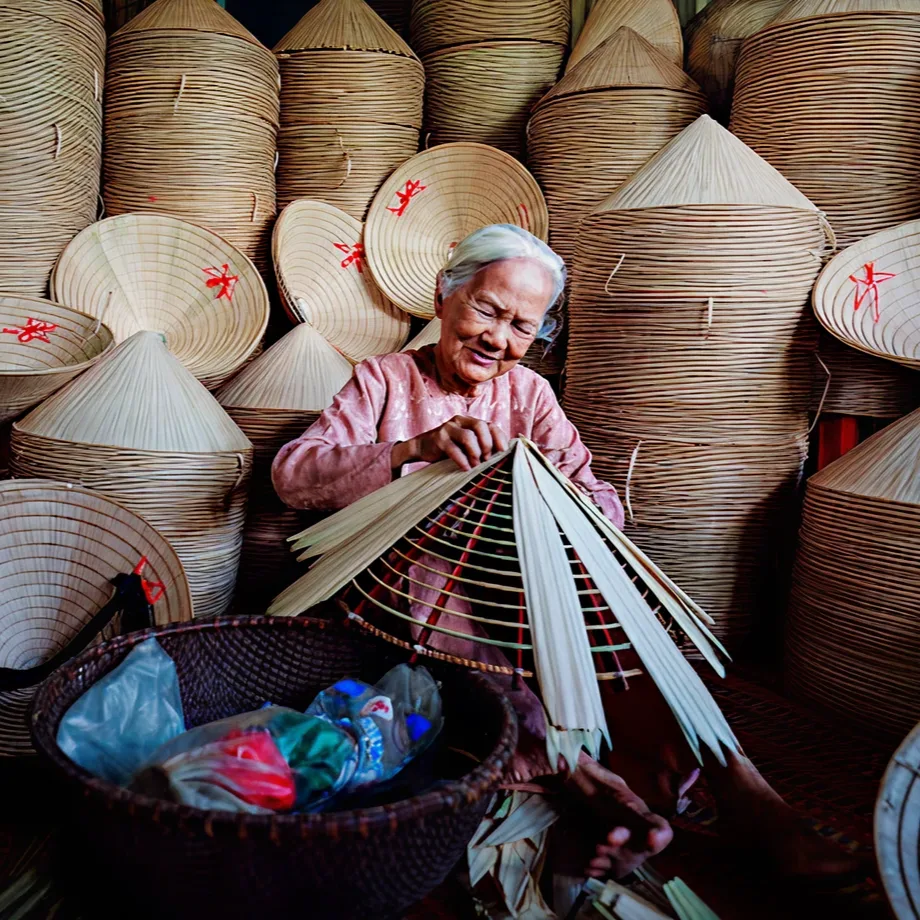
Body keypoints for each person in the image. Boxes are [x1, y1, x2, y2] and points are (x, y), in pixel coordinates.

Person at [273, 225, 859, 913]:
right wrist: (414, 449)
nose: (498, 338)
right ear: (444, 297)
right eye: (487, 310)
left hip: (521, 582)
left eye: (522, 326)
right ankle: (584, 783)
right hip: (407, 590)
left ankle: (747, 795)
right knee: (454, 605)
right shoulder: (383, 380)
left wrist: (546, 496)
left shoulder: (529, 396)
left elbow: (601, 501)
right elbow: (293, 474)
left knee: (622, 626)